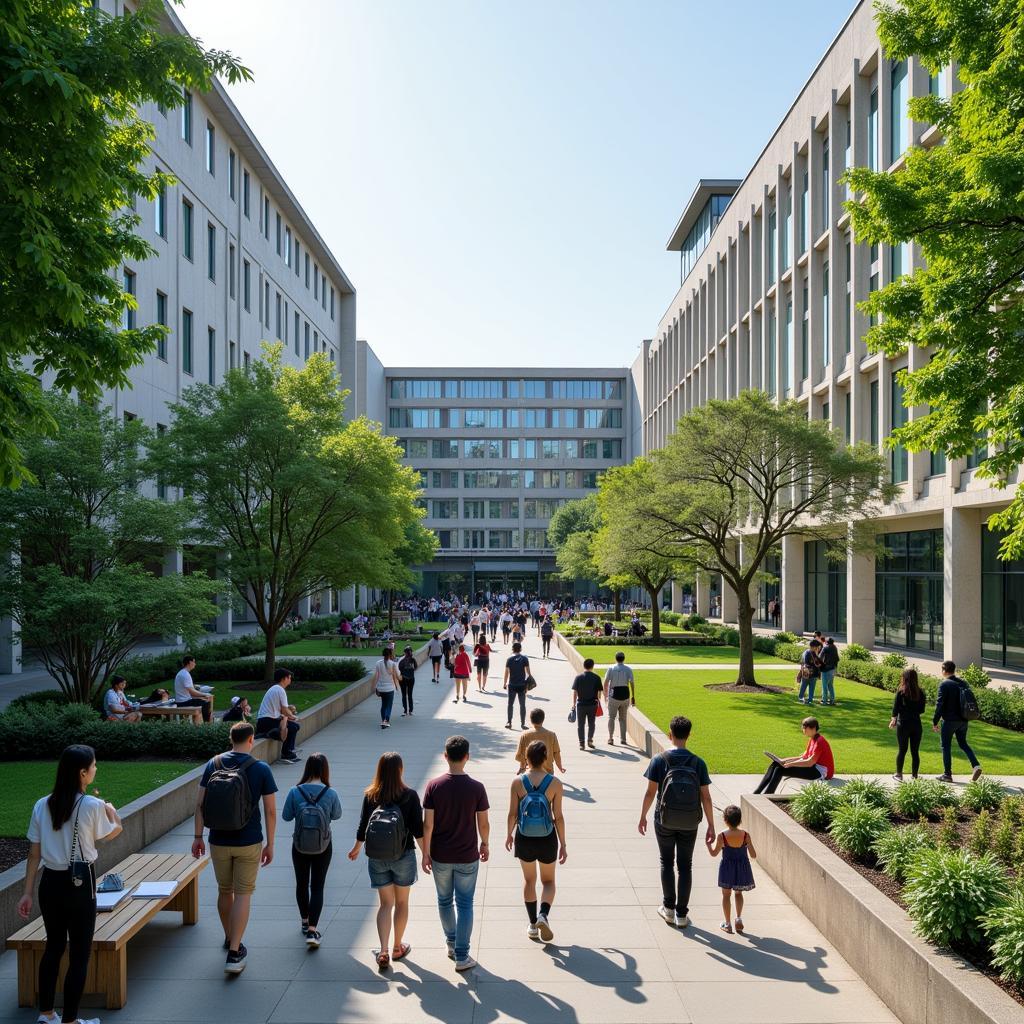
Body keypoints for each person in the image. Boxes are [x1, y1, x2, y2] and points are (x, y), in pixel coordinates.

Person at [19, 744, 122, 1024]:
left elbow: (34, 854)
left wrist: (27, 892)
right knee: (79, 953)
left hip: (49, 882)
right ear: (82, 772)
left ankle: (46, 1014)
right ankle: (71, 1020)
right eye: (94, 766)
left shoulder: (43, 804)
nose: (95, 769)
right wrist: (117, 820)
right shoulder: (92, 805)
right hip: (80, 881)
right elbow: (107, 835)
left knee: (53, 947)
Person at [192, 722, 277, 974]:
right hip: (249, 840)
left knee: (224, 890)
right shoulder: (260, 768)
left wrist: (198, 836)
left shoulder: (213, 764)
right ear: (251, 740)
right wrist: (271, 843)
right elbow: (271, 811)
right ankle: (234, 952)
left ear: (231, 739)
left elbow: (198, 805)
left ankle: (230, 937)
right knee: (243, 894)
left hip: (218, 839)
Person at [348, 753, 425, 970]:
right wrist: (426, 854)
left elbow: (363, 826)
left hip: (377, 857)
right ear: (400, 770)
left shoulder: (371, 795)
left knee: (385, 904)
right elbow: (418, 830)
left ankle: (382, 950)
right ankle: (398, 946)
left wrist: (356, 849)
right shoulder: (409, 795)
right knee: (401, 903)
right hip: (403, 855)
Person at [422, 736, 490, 972]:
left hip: (440, 854)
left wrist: (425, 853)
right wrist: (485, 843)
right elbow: (483, 823)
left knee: (444, 900)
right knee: (465, 904)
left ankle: (451, 943)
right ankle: (462, 955)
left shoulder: (433, 786)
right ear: (467, 757)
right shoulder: (477, 788)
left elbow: (427, 825)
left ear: (445, 756)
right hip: (467, 855)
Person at [639, 715, 714, 928]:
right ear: (689, 735)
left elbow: (650, 793)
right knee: (685, 865)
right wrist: (711, 824)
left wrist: (643, 816)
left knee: (666, 862)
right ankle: (682, 913)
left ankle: (668, 908)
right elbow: (706, 797)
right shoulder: (698, 763)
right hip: (690, 821)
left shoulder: (659, 760)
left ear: (669, 734)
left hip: (664, 819)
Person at [505, 740, 567, 942]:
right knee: (548, 881)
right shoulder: (555, 783)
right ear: (546, 758)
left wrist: (509, 835)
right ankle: (544, 915)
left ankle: (532, 924)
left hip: (525, 837)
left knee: (529, 880)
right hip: (547, 837)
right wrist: (563, 844)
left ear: (526, 758)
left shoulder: (517, 782)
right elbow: (558, 816)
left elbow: (512, 814)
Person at [282, 753, 342, 948]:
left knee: (301, 884)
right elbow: (337, 815)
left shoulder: (294, 791)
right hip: (323, 845)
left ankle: (304, 921)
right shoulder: (330, 793)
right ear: (325, 770)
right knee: (317, 886)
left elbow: (286, 816)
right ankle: (313, 930)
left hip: (299, 845)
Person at [705, 804, 756, 934]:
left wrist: (708, 845)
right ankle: (738, 919)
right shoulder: (746, 835)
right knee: (738, 893)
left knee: (726, 895)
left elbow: (714, 853)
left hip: (727, 868)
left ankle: (727, 924)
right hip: (742, 868)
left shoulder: (722, 836)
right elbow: (753, 855)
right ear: (740, 820)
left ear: (725, 820)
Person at [753, 717, 835, 794]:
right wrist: (783, 760)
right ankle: (757, 792)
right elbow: (803, 757)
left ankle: (768, 794)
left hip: (820, 772)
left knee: (779, 770)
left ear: (813, 728)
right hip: (813, 767)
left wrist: (790, 764)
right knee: (775, 764)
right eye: (803, 728)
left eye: (805, 728)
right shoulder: (813, 739)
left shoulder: (820, 741)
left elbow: (810, 762)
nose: (803, 730)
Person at [932, 660, 983, 783]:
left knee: (946, 746)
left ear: (944, 670)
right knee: (963, 743)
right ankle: (976, 765)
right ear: (954, 670)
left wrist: (935, 721)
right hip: (963, 720)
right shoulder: (963, 683)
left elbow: (940, 705)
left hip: (949, 721)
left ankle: (947, 775)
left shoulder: (944, 684)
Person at [890, 667, 927, 780]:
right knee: (915, 752)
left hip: (903, 724)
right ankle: (914, 776)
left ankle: (899, 774)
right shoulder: (920, 692)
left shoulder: (901, 691)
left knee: (902, 750)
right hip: (916, 724)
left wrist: (893, 720)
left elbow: (895, 708)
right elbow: (922, 710)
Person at [257, 668, 301, 763]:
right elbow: (284, 710)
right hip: (267, 721)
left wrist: (289, 711)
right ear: (283, 679)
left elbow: (282, 709)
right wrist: (294, 717)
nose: (290, 680)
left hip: (264, 721)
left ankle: (288, 750)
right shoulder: (280, 690)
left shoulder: (275, 688)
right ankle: (287, 753)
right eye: (289, 678)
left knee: (293, 726)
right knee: (294, 726)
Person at [515, 708, 565, 775]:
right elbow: (556, 753)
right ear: (543, 719)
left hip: (530, 772)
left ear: (531, 720)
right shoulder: (551, 735)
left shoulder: (525, 735)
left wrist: (522, 767)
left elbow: (521, 755)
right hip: (547, 772)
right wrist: (560, 767)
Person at [603, 651, 635, 746]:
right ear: (623, 659)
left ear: (615, 658)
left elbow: (605, 682)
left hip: (614, 695)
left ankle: (610, 738)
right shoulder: (628, 669)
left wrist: (605, 695)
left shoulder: (611, 668)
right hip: (625, 694)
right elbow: (632, 683)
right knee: (623, 719)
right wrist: (633, 696)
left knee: (611, 717)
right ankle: (623, 739)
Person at [571, 657, 603, 751]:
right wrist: (598, 700)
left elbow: (575, 692)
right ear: (592, 666)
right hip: (592, 704)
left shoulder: (578, 677)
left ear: (584, 666)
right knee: (591, 723)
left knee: (580, 725)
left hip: (581, 704)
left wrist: (573, 704)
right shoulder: (596, 677)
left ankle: (582, 743)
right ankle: (590, 740)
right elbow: (599, 693)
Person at [174, 654, 212, 722]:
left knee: (202, 700)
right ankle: (207, 724)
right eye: (194, 662)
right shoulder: (185, 674)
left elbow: (186, 686)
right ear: (190, 662)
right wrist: (204, 694)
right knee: (206, 703)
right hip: (183, 702)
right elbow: (192, 693)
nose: (195, 664)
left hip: (182, 700)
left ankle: (203, 722)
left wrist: (194, 686)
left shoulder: (182, 672)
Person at [503, 641, 531, 731]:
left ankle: (509, 722)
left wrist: (504, 683)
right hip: (522, 685)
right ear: (520, 649)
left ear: (512, 649)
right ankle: (523, 723)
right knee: (522, 705)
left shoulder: (509, 659)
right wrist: (528, 684)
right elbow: (528, 673)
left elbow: (506, 672)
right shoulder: (524, 659)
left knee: (510, 704)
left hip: (512, 685)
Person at [371, 648, 401, 729]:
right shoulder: (393, 664)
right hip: (390, 688)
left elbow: (376, 676)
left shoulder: (378, 663)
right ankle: (386, 720)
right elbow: (398, 676)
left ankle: (383, 720)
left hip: (381, 688)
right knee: (389, 705)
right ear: (390, 655)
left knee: (383, 705)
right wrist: (402, 678)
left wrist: (375, 687)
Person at [796, 639, 822, 705]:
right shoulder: (810, 653)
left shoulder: (806, 652)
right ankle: (807, 698)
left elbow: (803, 663)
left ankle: (803, 697)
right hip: (810, 673)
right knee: (809, 686)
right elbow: (810, 663)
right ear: (813, 646)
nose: (817, 649)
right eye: (816, 647)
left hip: (806, 673)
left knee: (805, 685)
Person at [818, 637, 840, 705]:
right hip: (832, 669)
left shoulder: (825, 648)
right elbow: (837, 659)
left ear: (826, 642)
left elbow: (820, 657)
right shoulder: (834, 648)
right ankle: (832, 700)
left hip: (825, 669)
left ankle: (824, 701)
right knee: (830, 686)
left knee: (824, 686)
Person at [398, 645, 417, 717]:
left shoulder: (402, 660)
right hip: (411, 679)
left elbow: (399, 669)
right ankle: (411, 711)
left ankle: (405, 711)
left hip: (403, 679)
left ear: (404, 653)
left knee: (404, 695)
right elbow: (415, 668)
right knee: (410, 695)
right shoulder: (413, 660)